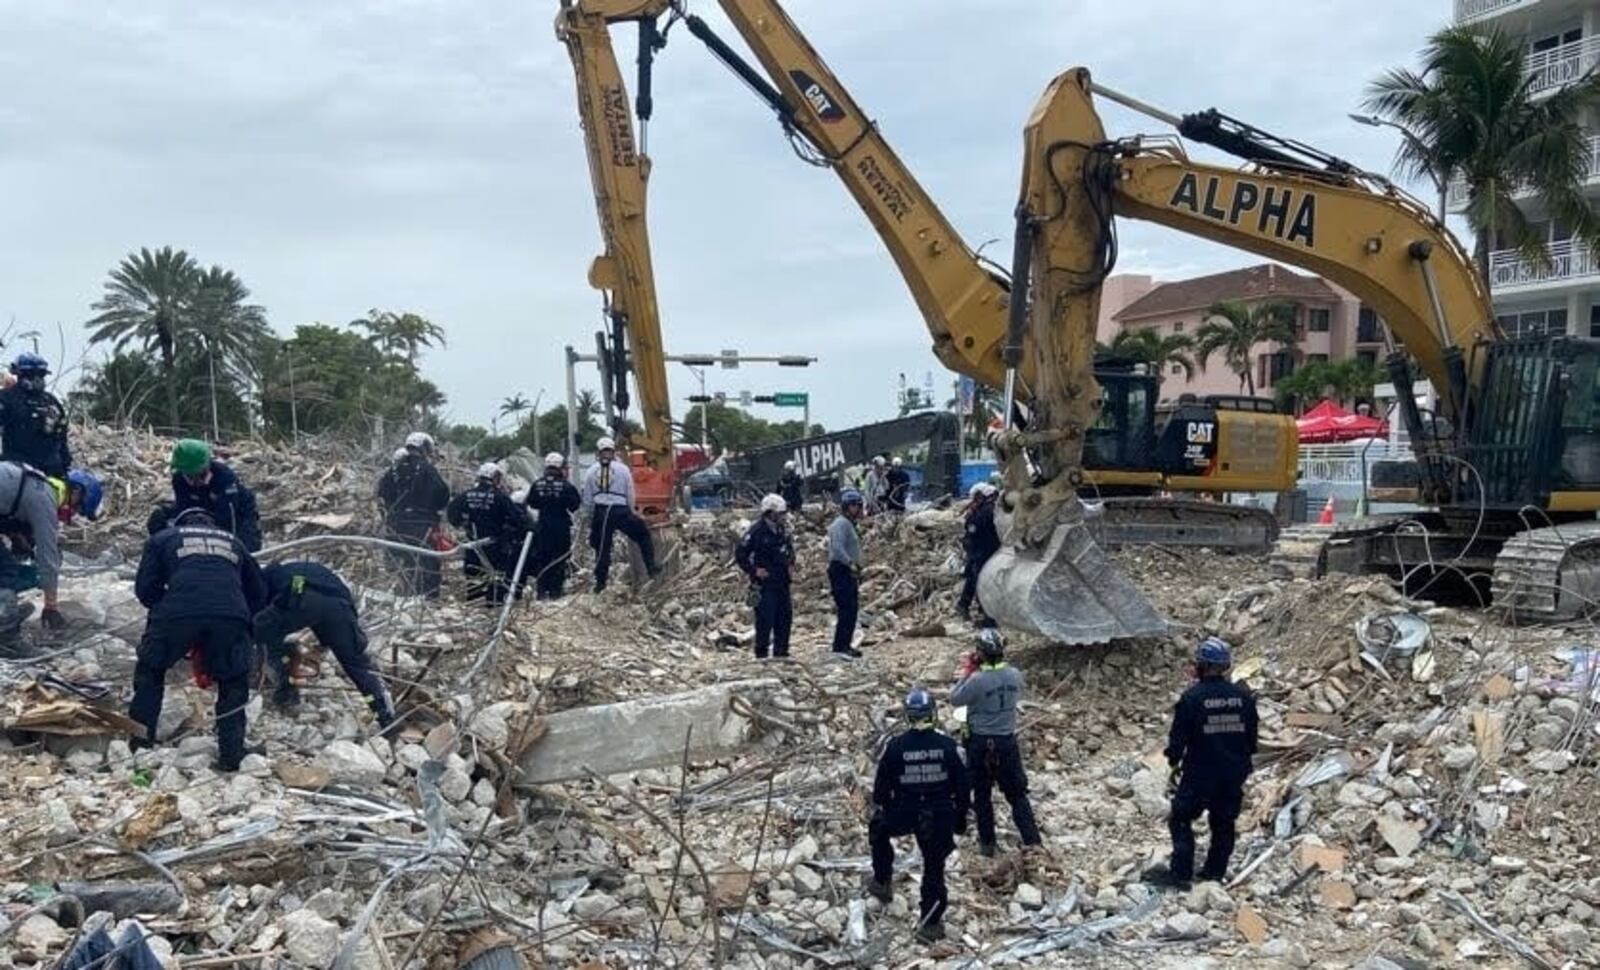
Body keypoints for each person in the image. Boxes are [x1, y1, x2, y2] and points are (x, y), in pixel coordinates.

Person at [129, 508, 268, 773]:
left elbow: (145, 589)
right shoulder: (233, 541)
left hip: (177, 611)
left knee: (151, 670)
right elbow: (258, 593)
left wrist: (166, 610)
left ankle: (140, 744)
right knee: (233, 682)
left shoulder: (163, 538)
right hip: (230, 614)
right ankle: (232, 754)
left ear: (179, 524)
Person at [1145, 636, 1260, 889]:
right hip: (1233, 773)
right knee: (1223, 823)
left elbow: (1177, 742)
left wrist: (1173, 762)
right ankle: (1214, 874)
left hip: (1200, 773)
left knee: (1181, 818)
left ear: (1202, 665)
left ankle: (1181, 874)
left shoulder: (1192, 698)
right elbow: (1252, 741)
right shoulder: (1243, 698)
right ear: (1226, 666)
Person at [865, 687, 970, 944]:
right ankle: (930, 924)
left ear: (908, 716)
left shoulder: (895, 747)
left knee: (879, 829)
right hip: (939, 814)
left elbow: (880, 791)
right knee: (934, 869)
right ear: (932, 714)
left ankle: (882, 880)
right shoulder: (948, 746)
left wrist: (886, 807)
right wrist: (959, 818)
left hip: (904, 809)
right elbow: (963, 787)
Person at [254, 560, 395, 727]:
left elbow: (266, 607)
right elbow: (345, 600)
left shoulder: (266, 578)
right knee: (355, 664)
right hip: (338, 606)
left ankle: (286, 691)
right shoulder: (302, 570)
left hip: (301, 597)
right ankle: (384, 713)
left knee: (268, 637)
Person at [950, 629, 1042, 857]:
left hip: (980, 742)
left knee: (982, 795)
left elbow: (955, 698)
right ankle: (1033, 841)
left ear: (981, 653)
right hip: (1006, 742)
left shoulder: (977, 680)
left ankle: (987, 844)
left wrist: (968, 671)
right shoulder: (1014, 675)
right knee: (1017, 794)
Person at [0, 464, 103, 643]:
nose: (74, 513)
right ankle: (7, 637)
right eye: (78, 508)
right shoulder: (45, 499)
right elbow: (48, 557)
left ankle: (7, 611)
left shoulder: (38, 482)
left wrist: (15, 535)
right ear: (76, 492)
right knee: (6, 571)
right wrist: (51, 605)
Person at [580, 436, 659, 592]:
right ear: (613, 451)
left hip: (601, 512)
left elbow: (587, 499)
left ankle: (600, 584)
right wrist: (632, 512)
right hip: (620, 510)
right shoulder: (623, 469)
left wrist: (591, 518)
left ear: (598, 452)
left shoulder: (590, 471)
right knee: (642, 534)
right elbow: (630, 492)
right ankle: (651, 567)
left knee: (602, 548)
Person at [376, 432, 450, 598]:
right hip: (421, 527)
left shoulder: (392, 471)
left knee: (402, 567)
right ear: (424, 447)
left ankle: (401, 599)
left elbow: (382, 495)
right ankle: (427, 604)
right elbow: (442, 494)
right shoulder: (426, 468)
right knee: (427, 568)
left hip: (395, 526)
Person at [447, 463, 532, 604]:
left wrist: (462, 524)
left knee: (474, 574)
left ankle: (474, 602)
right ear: (494, 478)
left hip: (473, 542)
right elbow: (517, 519)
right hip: (495, 543)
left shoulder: (465, 495)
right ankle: (493, 604)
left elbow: (451, 512)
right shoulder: (500, 497)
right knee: (497, 576)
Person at [170, 439, 262, 553]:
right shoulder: (178, 479)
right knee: (159, 518)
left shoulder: (224, 477)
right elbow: (182, 506)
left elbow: (230, 517)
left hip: (237, 510)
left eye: (200, 476)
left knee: (245, 544)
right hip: (202, 507)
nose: (195, 482)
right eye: (189, 477)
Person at [735, 494, 794, 660]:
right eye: (780, 513)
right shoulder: (756, 531)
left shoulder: (782, 529)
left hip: (782, 581)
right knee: (765, 619)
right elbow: (741, 554)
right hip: (764, 584)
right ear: (771, 513)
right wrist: (753, 570)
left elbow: (788, 549)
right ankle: (761, 654)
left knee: (784, 617)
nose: (783, 516)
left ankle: (781, 652)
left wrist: (791, 563)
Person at [0, 354, 71, 478]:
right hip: (18, 471)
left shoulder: (52, 402)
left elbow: (62, 438)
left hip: (49, 473)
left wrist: (65, 467)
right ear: (19, 374)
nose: (37, 379)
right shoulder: (6, 399)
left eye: (41, 374)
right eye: (30, 374)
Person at [525, 452, 582, 600]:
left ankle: (542, 591)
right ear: (560, 467)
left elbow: (532, 503)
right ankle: (556, 591)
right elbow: (575, 505)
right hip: (560, 526)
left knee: (543, 558)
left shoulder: (537, 484)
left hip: (542, 525)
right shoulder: (566, 486)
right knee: (559, 558)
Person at [826, 489, 865, 659]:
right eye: (855, 506)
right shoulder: (841, 524)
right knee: (846, 608)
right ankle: (840, 646)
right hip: (841, 569)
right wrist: (850, 563)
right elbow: (837, 548)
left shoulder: (849, 524)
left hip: (849, 570)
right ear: (847, 507)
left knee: (852, 609)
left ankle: (845, 644)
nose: (858, 509)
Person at [956, 483, 1000, 621]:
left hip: (979, 549)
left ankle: (967, 605)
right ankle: (984, 612)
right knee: (979, 580)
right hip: (984, 550)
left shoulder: (982, 510)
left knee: (974, 578)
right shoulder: (988, 510)